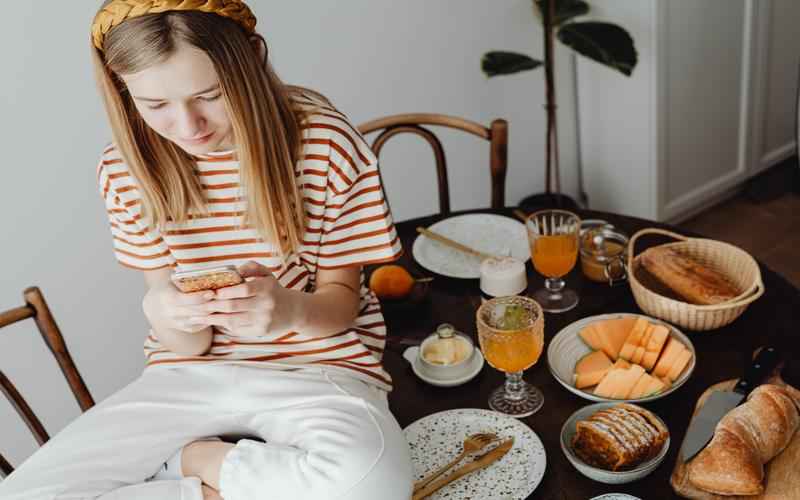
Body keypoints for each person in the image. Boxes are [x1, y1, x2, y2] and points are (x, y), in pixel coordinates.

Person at [0, 1, 413, 499]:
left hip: (317, 368)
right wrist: (167, 310)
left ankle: (194, 461)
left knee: (372, 484)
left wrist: (289, 311)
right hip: (188, 377)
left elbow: (341, 303)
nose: (188, 125)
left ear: (251, 64)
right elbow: (186, 343)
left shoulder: (325, 143)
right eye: (155, 105)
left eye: (211, 95)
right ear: (123, 93)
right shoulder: (125, 171)